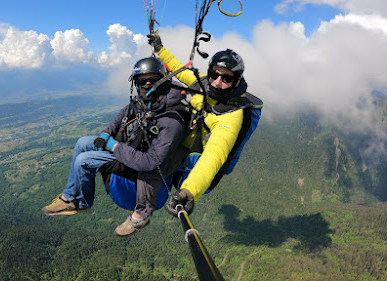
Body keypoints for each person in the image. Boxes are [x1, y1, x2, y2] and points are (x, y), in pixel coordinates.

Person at [41, 57, 189, 236]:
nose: (148, 84)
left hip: (140, 164)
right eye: (143, 81)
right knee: (82, 143)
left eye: (154, 80)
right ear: (136, 83)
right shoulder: (149, 101)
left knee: (83, 161)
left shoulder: (170, 120)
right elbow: (123, 114)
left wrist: (113, 144)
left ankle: (82, 202)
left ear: (164, 81)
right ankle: (69, 197)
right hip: (130, 149)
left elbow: (150, 163)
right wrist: (105, 134)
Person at [147, 33, 263, 216]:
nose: (217, 82)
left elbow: (214, 155)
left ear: (237, 80)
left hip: (197, 158)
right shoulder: (202, 82)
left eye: (226, 79)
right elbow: (177, 68)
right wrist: (159, 48)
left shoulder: (232, 114)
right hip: (184, 144)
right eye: (215, 74)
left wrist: (189, 191)